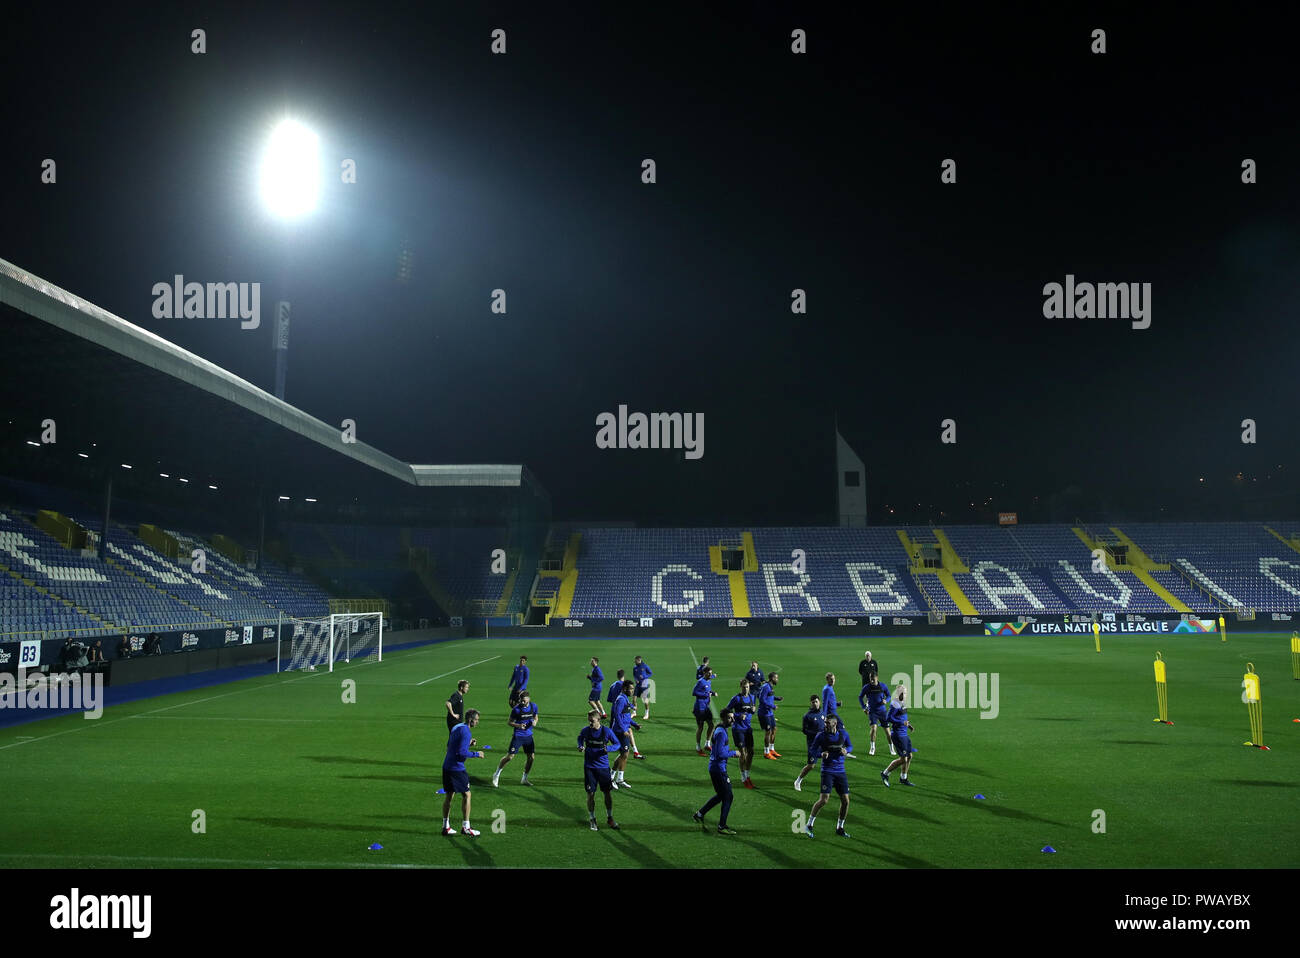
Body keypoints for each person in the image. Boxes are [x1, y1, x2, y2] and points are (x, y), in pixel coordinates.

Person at [692, 708, 740, 835]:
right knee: (728, 796)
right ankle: (722, 826)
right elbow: (719, 753)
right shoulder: (721, 733)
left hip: (715, 768)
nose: (733, 720)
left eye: (733, 717)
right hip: (718, 770)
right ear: (723, 718)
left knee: (721, 795)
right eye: (730, 717)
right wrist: (733, 753)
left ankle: (700, 814)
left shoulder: (721, 730)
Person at [806, 713, 854, 838]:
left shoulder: (843, 734)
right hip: (827, 771)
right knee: (824, 800)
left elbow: (850, 745)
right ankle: (809, 824)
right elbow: (812, 750)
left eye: (827, 723)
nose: (825, 724)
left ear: (835, 723)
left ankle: (840, 827)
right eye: (825, 722)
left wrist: (846, 751)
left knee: (846, 801)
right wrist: (820, 755)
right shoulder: (821, 736)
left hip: (840, 771)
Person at [441, 709, 485, 836]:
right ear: (471, 719)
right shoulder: (466, 731)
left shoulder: (457, 727)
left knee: (449, 796)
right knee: (467, 795)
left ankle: (446, 826)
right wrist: (476, 754)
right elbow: (461, 753)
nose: (477, 722)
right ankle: (466, 827)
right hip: (457, 769)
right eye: (476, 720)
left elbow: (450, 745)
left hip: (447, 766)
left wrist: (467, 744)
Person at [577, 709, 621, 830]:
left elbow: (618, 744)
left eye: (592, 721)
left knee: (607, 793)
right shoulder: (586, 731)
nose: (590, 723)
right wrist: (580, 746)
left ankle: (610, 818)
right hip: (589, 767)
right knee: (590, 794)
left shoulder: (607, 731)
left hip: (603, 768)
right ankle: (592, 819)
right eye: (589, 721)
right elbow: (580, 738)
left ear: (598, 720)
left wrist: (610, 749)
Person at [492, 689, 538, 787]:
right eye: (521, 700)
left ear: (528, 699)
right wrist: (518, 725)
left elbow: (536, 716)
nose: (522, 702)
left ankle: (524, 778)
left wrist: (535, 722)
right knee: (509, 757)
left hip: (529, 736)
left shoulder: (534, 706)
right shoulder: (516, 709)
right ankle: (496, 774)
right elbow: (509, 722)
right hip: (518, 736)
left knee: (531, 757)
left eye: (524, 700)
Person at [881, 684, 916, 787]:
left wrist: (908, 725)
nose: (904, 694)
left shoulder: (903, 702)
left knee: (909, 756)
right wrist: (902, 723)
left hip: (904, 733)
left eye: (905, 692)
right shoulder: (895, 703)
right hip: (897, 734)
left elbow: (903, 717)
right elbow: (888, 718)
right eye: (902, 692)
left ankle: (903, 778)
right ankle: (885, 773)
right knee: (903, 759)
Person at [726, 678, 759, 789]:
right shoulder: (736, 699)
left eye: (747, 687)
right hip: (738, 729)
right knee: (743, 753)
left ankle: (747, 774)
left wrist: (753, 710)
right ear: (741, 687)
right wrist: (737, 716)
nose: (746, 689)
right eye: (744, 687)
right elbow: (727, 711)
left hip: (748, 729)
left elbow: (752, 709)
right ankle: (743, 777)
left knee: (751, 752)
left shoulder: (752, 697)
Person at [609, 679, 638, 786]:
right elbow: (617, 715)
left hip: (622, 730)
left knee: (624, 754)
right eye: (630, 689)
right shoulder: (621, 699)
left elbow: (625, 716)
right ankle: (614, 777)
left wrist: (635, 724)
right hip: (619, 731)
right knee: (624, 754)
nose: (632, 691)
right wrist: (623, 729)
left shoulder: (625, 699)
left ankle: (616, 777)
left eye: (633, 689)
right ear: (625, 689)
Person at [794, 694, 826, 792]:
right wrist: (816, 734)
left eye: (816, 701)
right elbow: (804, 730)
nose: (815, 704)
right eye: (813, 702)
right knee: (811, 765)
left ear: (819, 702)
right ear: (810, 703)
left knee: (828, 760)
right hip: (813, 744)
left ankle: (829, 782)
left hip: (824, 743)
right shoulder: (807, 716)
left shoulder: (823, 713)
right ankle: (798, 781)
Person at [859, 673, 894, 756]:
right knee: (874, 729)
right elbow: (860, 697)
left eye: (873, 679)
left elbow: (889, 695)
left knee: (888, 732)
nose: (871, 680)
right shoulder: (867, 687)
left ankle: (891, 747)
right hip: (872, 712)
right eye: (870, 678)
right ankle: (872, 747)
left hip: (882, 712)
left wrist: (886, 700)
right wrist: (864, 707)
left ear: (877, 678)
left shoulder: (882, 686)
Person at [692, 666, 718, 754]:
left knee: (711, 725)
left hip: (706, 707)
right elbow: (694, 692)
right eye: (709, 673)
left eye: (711, 673)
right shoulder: (700, 682)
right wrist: (705, 695)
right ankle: (698, 746)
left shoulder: (709, 680)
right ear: (704, 673)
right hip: (699, 708)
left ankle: (707, 743)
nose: (710, 674)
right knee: (701, 727)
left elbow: (708, 691)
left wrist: (713, 693)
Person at [758, 671, 783, 759]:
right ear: (772, 678)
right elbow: (761, 699)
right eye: (776, 678)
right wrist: (772, 706)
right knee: (768, 732)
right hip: (764, 713)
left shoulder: (769, 686)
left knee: (774, 729)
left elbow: (769, 696)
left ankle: (771, 749)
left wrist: (777, 698)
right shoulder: (766, 687)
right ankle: (766, 752)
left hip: (769, 713)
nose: (777, 680)